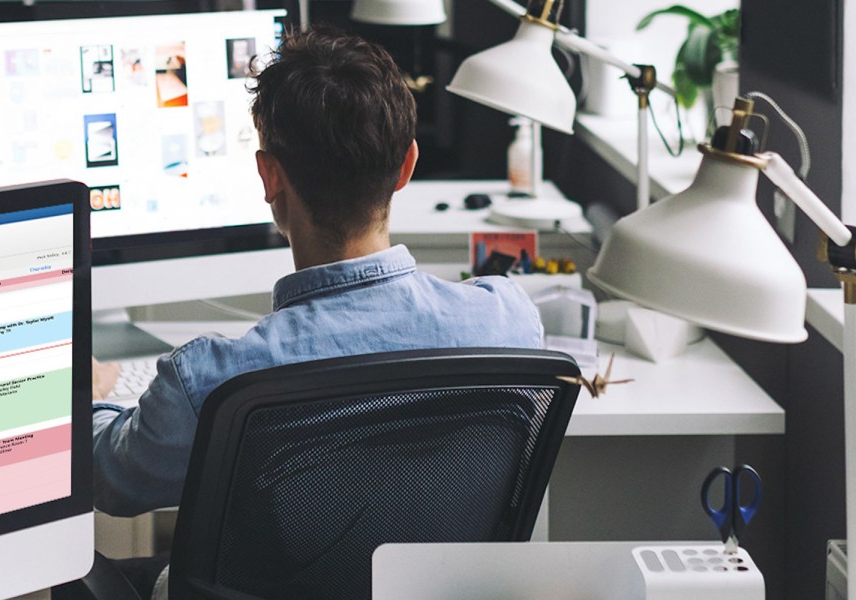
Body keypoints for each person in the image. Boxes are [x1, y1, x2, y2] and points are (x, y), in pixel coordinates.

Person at [90, 27, 543, 594]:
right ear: (407, 166)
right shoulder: (507, 323)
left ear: (269, 176)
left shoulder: (210, 380)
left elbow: (109, 481)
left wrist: (96, 398)